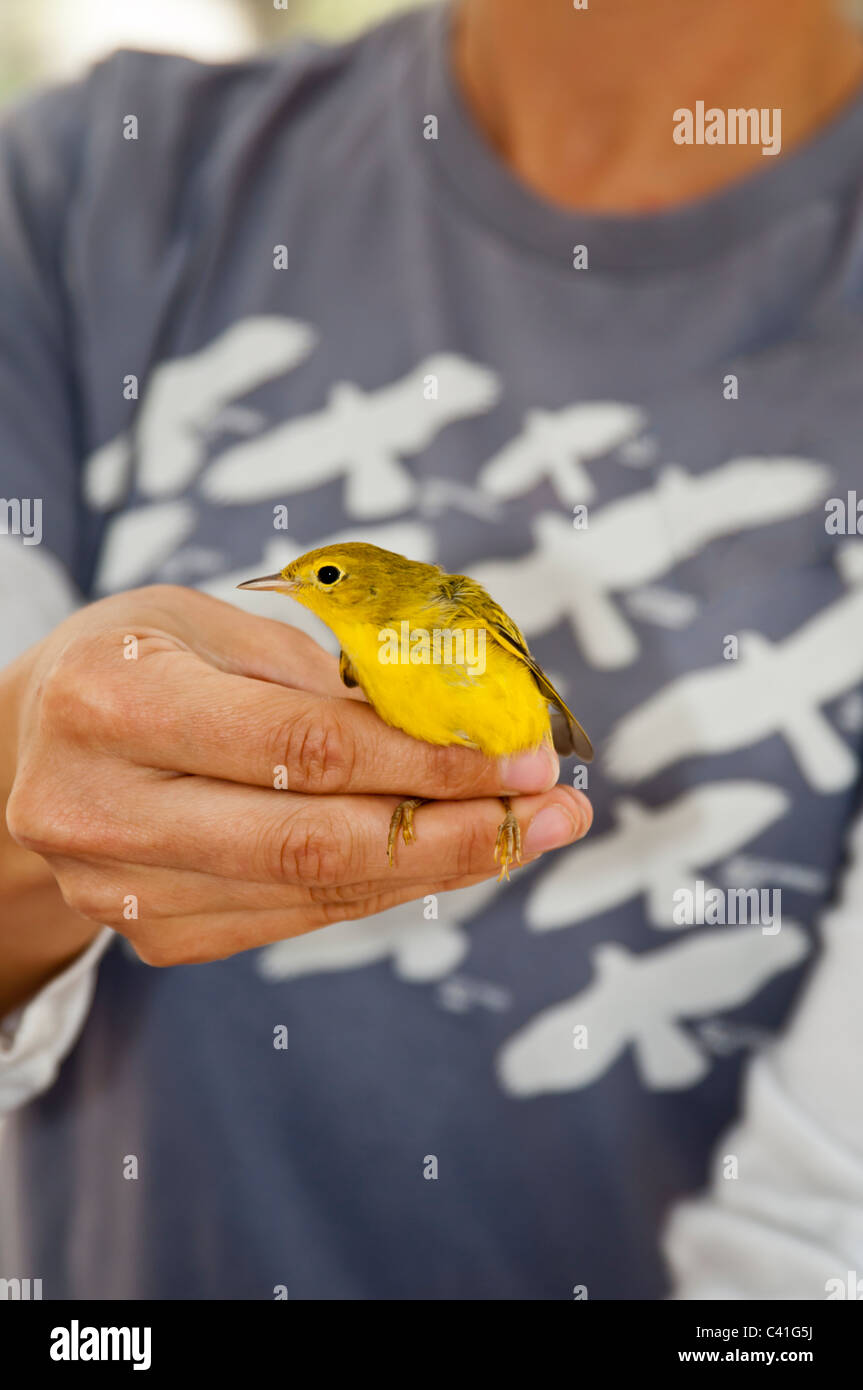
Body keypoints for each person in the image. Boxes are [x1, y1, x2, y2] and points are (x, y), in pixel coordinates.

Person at [1, 0, 862, 1300]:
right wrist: (29, 799)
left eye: (322, 578)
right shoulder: (86, 188)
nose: (299, 595)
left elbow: (823, 1237)